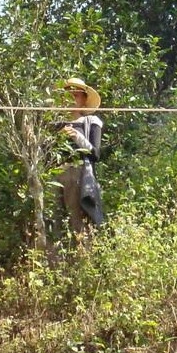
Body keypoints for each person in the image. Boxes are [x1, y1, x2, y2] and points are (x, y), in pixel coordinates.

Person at [53, 77, 104, 239]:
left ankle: (83, 257)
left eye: (75, 95)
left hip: (78, 173)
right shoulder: (56, 123)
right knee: (57, 221)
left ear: (84, 99)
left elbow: (95, 153)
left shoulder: (91, 121)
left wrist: (76, 136)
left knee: (78, 219)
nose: (71, 99)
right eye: (68, 95)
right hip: (56, 174)